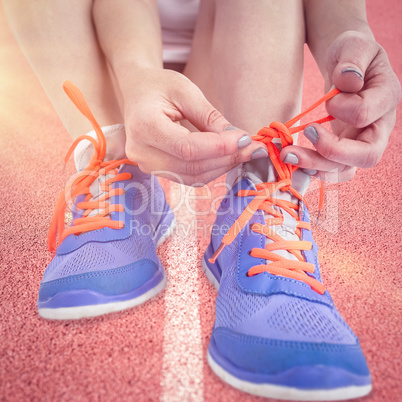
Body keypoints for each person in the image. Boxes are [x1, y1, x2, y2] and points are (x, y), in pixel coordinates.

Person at [3, 0, 400, 400]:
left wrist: (350, 37)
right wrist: (138, 75)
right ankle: (117, 162)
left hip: (232, 72)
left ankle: (259, 195)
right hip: (115, 65)